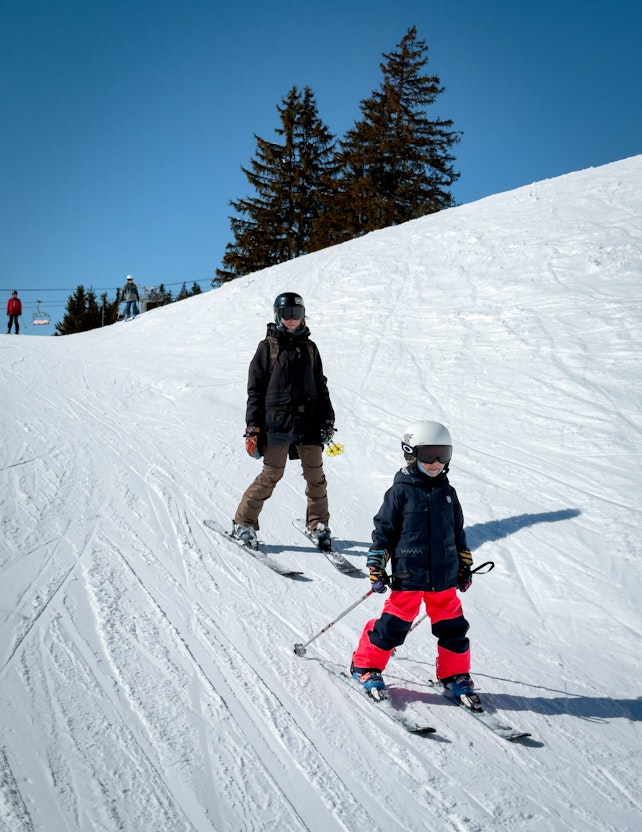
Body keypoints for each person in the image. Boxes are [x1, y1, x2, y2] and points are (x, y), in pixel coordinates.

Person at [350, 420, 479, 708]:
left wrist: (463, 562)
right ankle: (365, 665)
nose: (435, 463)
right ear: (411, 453)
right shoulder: (401, 492)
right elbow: (383, 533)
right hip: (409, 577)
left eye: (442, 455)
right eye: (428, 454)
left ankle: (455, 674)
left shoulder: (448, 493)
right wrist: (377, 564)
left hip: (444, 580)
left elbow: (457, 533)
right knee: (393, 628)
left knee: (454, 630)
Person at [231, 292, 336, 550]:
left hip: (309, 422)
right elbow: (255, 391)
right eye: (287, 314)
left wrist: (327, 419)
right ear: (277, 315)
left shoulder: (310, 348)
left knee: (316, 477)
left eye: (297, 314)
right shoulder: (267, 348)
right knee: (271, 474)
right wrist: (253, 427)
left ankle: (318, 524)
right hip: (277, 422)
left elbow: (321, 387)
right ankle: (243, 522)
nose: (292, 320)